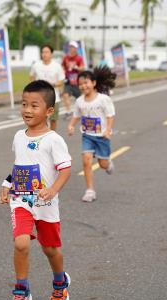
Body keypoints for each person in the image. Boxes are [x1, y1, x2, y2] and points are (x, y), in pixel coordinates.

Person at [0, 80, 72, 300]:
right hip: (21, 200)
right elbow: (20, 165)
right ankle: (21, 290)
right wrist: (7, 183)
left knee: (50, 249)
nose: (27, 110)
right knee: (21, 243)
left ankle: (60, 283)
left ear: (49, 111)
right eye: (24, 104)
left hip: (46, 204)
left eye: (34, 105)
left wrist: (53, 190)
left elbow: (66, 169)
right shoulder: (19, 136)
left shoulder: (54, 140)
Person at [67, 67, 116, 202]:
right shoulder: (79, 101)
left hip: (102, 137)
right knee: (86, 160)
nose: (83, 86)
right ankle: (90, 191)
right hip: (87, 136)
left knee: (102, 164)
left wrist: (108, 130)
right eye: (81, 84)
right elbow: (76, 115)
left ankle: (108, 164)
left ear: (93, 83)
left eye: (86, 82)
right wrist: (71, 125)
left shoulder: (103, 99)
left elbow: (110, 116)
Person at [29, 45, 65, 131]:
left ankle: (52, 136)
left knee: (53, 119)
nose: (44, 54)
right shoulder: (36, 65)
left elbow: (61, 80)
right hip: (39, 97)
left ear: (51, 54)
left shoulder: (57, 66)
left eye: (46, 52)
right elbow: (31, 76)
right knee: (41, 118)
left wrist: (53, 84)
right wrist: (35, 85)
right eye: (43, 52)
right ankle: (41, 135)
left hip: (54, 97)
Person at [61, 41, 84, 118]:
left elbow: (82, 68)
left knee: (79, 98)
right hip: (68, 80)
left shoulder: (79, 58)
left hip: (76, 81)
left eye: (73, 47)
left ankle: (82, 112)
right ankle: (68, 111)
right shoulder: (66, 58)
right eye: (70, 47)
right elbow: (62, 66)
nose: (71, 48)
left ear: (76, 49)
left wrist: (76, 67)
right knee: (65, 95)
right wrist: (63, 71)